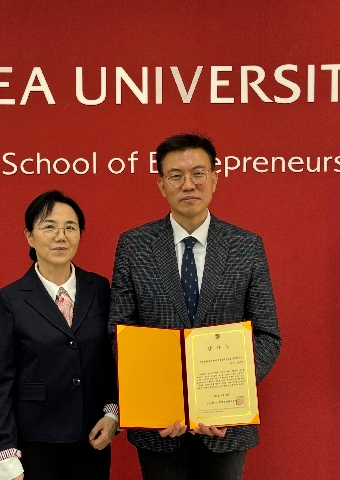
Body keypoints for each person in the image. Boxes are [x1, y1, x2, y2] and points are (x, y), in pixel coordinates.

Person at [108, 133, 282, 480]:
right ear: (161, 185)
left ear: (215, 178)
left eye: (198, 173)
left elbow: (267, 335)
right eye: (176, 176)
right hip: (159, 427)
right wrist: (156, 402)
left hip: (226, 426)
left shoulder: (246, 246)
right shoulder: (134, 246)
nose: (188, 184)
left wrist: (230, 397)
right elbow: (120, 332)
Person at [0, 190, 118, 480]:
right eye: (49, 227)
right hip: (35, 443)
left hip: (92, 440)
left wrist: (112, 414)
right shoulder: (11, 299)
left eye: (70, 227)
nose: (61, 236)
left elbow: (111, 361)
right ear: (29, 236)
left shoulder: (99, 288)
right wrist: (5, 453)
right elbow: (0, 382)